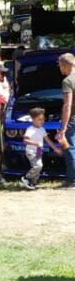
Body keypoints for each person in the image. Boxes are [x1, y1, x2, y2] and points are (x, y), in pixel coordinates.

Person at [19, 107, 62, 189]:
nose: (42, 121)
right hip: (31, 151)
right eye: (39, 119)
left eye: (43, 119)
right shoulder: (30, 129)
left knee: (39, 167)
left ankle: (32, 183)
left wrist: (56, 149)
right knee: (37, 166)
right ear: (32, 119)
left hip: (39, 151)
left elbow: (48, 140)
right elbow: (25, 141)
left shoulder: (42, 129)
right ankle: (26, 178)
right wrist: (36, 143)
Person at [59, 52, 75, 188]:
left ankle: (72, 180)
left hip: (72, 121)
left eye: (59, 65)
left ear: (65, 65)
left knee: (70, 149)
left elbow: (67, 105)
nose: (59, 68)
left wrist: (63, 127)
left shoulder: (68, 81)